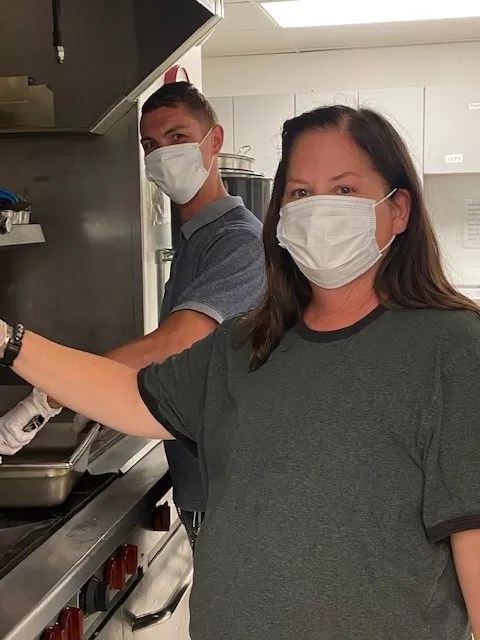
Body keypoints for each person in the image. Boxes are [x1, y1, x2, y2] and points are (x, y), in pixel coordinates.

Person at [1, 104, 480, 640]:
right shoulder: (245, 343)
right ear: (281, 215)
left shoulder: (451, 349)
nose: (318, 209)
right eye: (300, 192)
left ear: (399, 210)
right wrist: (9, 342)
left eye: (344, 189)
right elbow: (127, 394)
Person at [0, 81, 264, 548]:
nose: (163, 154)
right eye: (150, 145)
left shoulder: (238, 242)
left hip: (232, 495)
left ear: (215, 141)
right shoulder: (194, 240)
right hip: (207, 482)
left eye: (177, 137)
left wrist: (50, 398)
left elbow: (174, 344)